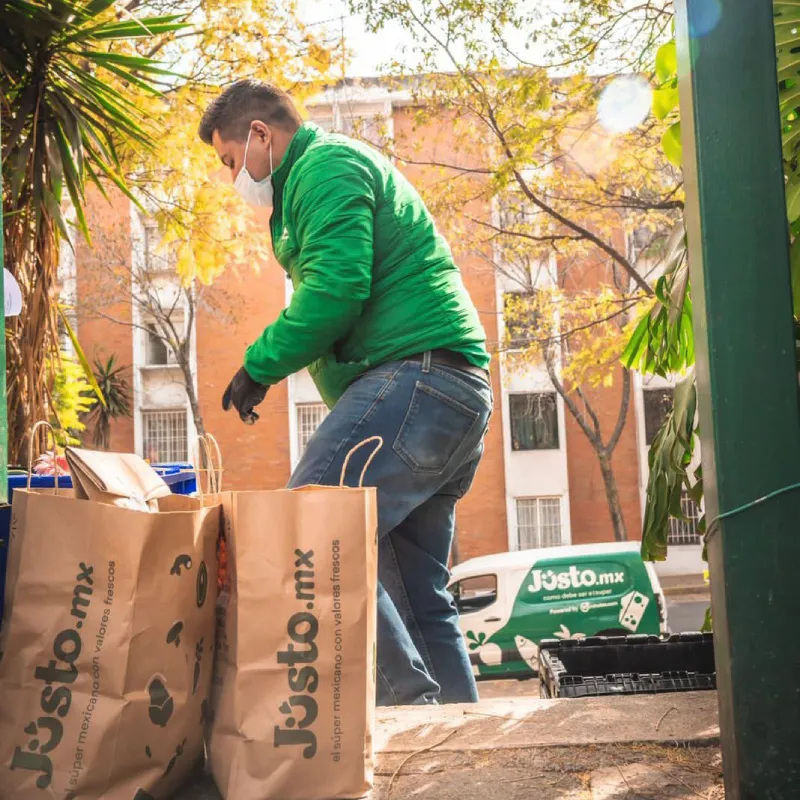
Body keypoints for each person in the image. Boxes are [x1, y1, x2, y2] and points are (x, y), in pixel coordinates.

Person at [199, 80, 492, 705]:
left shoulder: (325, 167)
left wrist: (258, 365)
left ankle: (411, 714)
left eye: (230, 162)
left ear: (260, 135)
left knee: (310, 527)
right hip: (446, 392)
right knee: (416, 595)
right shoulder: (313, 179)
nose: (233, 180)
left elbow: (335, 291)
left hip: (419, 379)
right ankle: (460, 749)